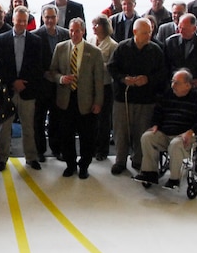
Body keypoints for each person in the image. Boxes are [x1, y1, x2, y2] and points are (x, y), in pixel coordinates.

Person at [107, 18, 167, 175]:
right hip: (123, 98)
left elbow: (162, 74)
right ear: (135, 32)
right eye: (145, 33)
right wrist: (123, 79)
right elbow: (112, 68)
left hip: (146, 99)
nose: (149, 35)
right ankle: (120, 161)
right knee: (121, 131)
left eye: (150, 32)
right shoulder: (122, 48)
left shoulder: (156, 50)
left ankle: (138, 160)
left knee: (142, 131)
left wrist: (148, 79)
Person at [133, 70, 197, 189]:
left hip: (186, 136)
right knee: (147, 137)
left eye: (177, 83)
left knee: (175, 144)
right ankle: (150, 173)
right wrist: (155, 125)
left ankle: (174, 179)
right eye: (172, 81)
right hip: (166, 133)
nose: (173, 85)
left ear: (187, 85)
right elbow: (158, 113)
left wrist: (191, 131)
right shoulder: (167, 95)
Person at [50, 18, 106, 178]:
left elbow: (99, 80)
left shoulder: (94, 52)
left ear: (83, 31)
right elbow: (52, 71)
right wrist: (61, 78)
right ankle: (70, 164)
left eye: (77, 31)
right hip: (65, 100)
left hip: (86, 102)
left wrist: (98, 102)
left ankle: (84, 166)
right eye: (71, 30)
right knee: (66, 135)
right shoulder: (60, 48)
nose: (74, 34)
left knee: (87, 136)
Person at [0, 6, 46, 169]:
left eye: (25, 21)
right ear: (13, 20)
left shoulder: (35, 40)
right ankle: (2, 158)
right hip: (7, 91)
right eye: (19, 21)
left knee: (29, 126)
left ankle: (31, 157)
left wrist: (23, 83)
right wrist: (12, 82)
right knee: (4, 127)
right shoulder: (2, 39)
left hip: (27, 91)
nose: (21, 24)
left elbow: (38, 67)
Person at [33, 5, 69, 161]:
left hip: (60, 86)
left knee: (57, 119)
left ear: (58, 18)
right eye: (46, 17)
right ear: (42, 18)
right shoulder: (34, 36)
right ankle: (39, 150)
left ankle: (56, 149)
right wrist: (44, 74)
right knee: (39, 120)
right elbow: (32, 63)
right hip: (42, 85)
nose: (49, 20)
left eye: (52, 17)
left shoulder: (66, 34)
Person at [90, 15, 117, 161]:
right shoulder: (91, 41)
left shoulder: (112, 45)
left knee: (104, 119)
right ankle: (93, 146)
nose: (94, 27)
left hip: (106, 85)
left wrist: (98, 66)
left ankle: (102, 149)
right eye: (93, 25)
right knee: (92, 118)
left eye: (97, 25)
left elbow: (113, 67)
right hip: (91, 85)